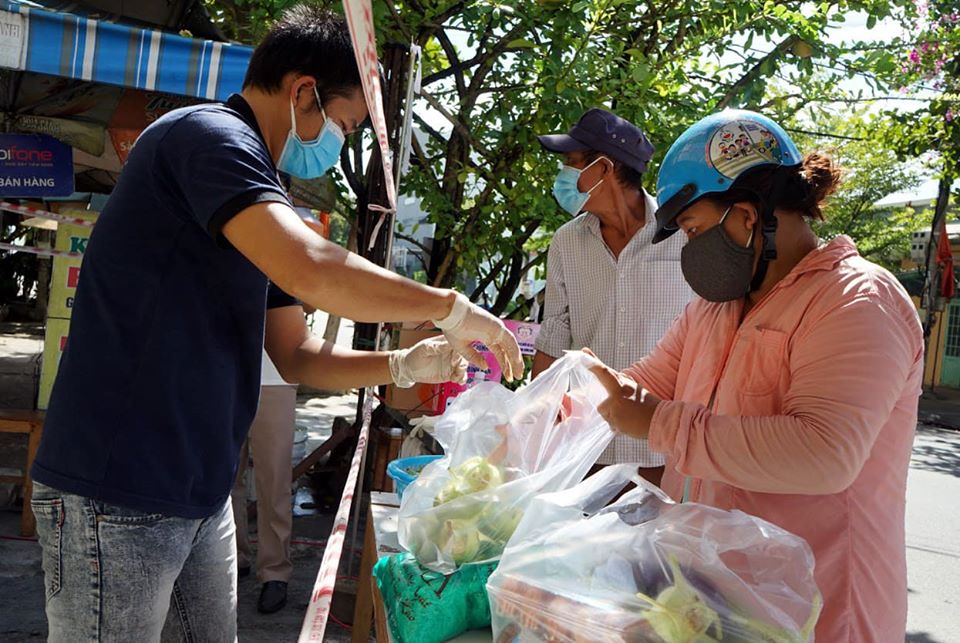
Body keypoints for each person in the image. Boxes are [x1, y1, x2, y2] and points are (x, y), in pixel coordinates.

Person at [28, 6, 522, 642]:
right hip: (118, 489)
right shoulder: (208, 138)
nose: (341, 142)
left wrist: (400, 365)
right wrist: (450, 307)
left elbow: (296, 355)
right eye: (344, 123)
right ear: (303, 91)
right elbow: (313, 268)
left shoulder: (255, 196)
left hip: (200, 492)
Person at [588, 109, 922, 641]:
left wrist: (659, 424)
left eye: (694, 230)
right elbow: (642, 384)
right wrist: (559, 401)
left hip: (821, 614)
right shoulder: (716, 307)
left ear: (746, 215)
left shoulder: (856, 302)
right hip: (716, 604)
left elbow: (824, 455)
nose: (689, 251)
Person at [532, 108, 691, 485]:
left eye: (571, 163)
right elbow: (555, 332)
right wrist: (536, 419)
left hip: (662, 446)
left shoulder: (686, 235)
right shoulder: (567, 242)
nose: (562, 177)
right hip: (586, 444)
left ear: (604, 169)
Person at [229, 349, 297, 614]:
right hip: (222, 372)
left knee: (274, 480)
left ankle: (275, 572)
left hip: (275, 375)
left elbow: (309, 309)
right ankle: (234, 556)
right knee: (224, 478)